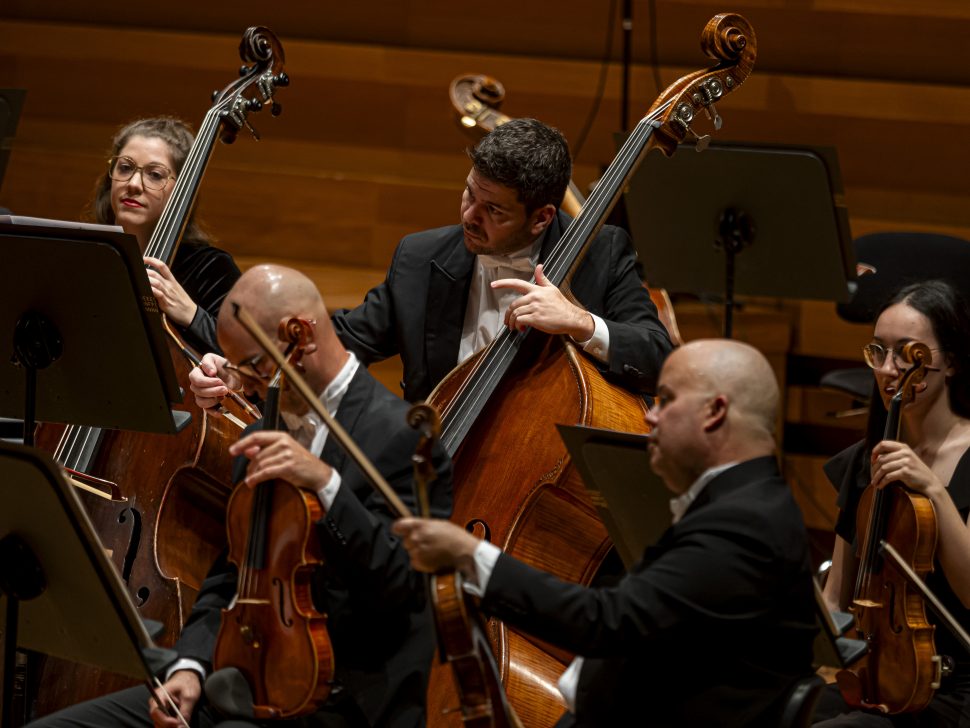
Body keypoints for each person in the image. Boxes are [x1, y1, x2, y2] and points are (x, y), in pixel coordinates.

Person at [29, 264, 452, 728]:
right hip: (242, 683)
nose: (242, 385)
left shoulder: (404, 439)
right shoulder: (262, 431)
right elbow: (233, 575)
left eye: (250, 366)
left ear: (302, 336)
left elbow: (410, 586)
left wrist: (325, 485)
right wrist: (190, 666)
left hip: (339, 700)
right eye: (234, 366)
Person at [394, 338, 818, 727]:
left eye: (666, 400)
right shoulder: (738, 505)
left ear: (715, 412)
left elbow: (607, 622)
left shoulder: (744, 526)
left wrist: (471, 555)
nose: (649, 415)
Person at [331, 117, 673, 402]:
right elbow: (347, 340)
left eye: (492, 209)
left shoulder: (601, 254)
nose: (469, 216)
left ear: (541, 218)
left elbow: (657, 358)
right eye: (469, 193)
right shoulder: (421, 257)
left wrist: (580, 321)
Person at [814, 280, 970, 726]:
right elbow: (837, 598)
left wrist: (934, 491)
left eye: (908, 354)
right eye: (878, 352)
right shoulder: (868, 458)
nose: (888, 369)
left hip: (950, 688)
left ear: (952, 363)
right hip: (875, 674)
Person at [93, 116, 240, 353]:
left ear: (182, 190)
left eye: (155, 175)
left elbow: (244, 363)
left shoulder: (210, 268)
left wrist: (190, 314)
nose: (133, 183)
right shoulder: (88, 256)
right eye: (125, 167)